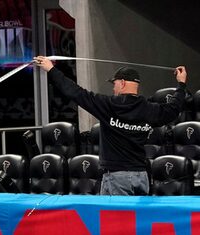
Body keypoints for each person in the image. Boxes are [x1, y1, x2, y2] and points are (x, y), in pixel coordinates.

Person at [34, 56, 188, 195]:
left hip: (116, 177)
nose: (113, 88)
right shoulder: (149, 109)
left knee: (116, 224)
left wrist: (51, 69)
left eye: (114, 84)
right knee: (136, 223)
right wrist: (181, 85)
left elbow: (75, 93)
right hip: (141, 176)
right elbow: (173, 109)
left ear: (122, 83)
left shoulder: (108, 105)